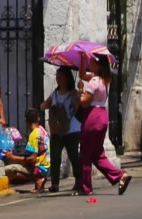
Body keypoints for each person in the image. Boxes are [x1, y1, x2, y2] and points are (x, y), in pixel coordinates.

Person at [75, 53, 132, 198]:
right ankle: (119, 176)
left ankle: (86, 187)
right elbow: (82, 74)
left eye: (92, 62)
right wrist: (82, 60)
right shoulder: (105, 80)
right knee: (97, 154)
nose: (90, 64)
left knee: (86, 153)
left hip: (92, 116)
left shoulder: (94, 82)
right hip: (102, 115)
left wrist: (81, 91)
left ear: (98, 65)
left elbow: (84, 102)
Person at [43, 66, 82, 193]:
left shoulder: (73, 94)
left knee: (73, 155)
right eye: (57, 76)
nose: (57, 79)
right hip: (57, 130)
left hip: (72, 130)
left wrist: (76, 97)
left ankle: (79, 180)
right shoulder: (55, 94)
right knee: (55, 156)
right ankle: (54, 183)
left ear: (66, 78)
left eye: (60, 76)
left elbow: (78, 109)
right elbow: (44, 105)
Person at [22, 108, 49, 192]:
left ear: (26, 122)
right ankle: (40, 180)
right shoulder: (43, 130)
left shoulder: (33, 134)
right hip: (48, 166)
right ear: (38, 119)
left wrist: (12, 157)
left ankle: (38, 179)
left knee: (13, 169)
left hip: (40, 167)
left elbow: (32, 158)